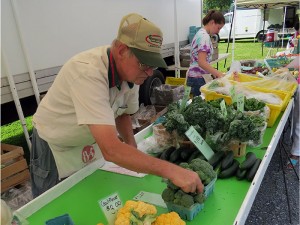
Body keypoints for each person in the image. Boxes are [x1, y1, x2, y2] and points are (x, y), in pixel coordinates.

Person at [30, 13, 204, 198]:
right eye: (144, 63)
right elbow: (111, 150)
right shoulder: (88, 73)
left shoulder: (132, 74)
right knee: (52, 203)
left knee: (90, 196)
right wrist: (173, 171)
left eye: (152, 65)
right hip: (56, 147)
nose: (149, 72)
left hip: (90, 140)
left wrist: (131, 146)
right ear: (121, 51)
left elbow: (123, 114)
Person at [187, 10, 225, 97]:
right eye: (218, 28)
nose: (218, 31)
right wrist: (217, 73)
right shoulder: (204, 37)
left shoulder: (200, 33)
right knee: (199, 107)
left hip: (194, 77)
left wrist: (213, 71)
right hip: (198, 79)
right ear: (212, 22)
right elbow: (202, 62)